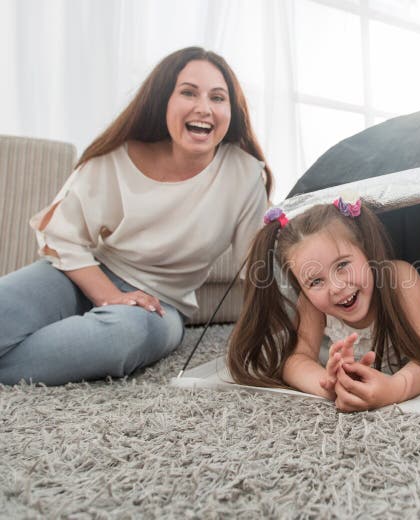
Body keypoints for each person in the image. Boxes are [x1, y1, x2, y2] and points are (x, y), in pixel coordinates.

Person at [0, 47, 271, 386]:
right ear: (163, 101)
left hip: (160, 308)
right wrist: (107, 295)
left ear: (232, 111)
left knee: (120, 338)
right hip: (80, 277)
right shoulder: (116, 158)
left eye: (218, 97)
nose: (204, 107)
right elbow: (61, 233)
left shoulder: (243, 175)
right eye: (188, 92)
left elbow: (256, 267)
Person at [227, 199, 420, 411]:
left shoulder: (400, 279)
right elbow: (295, 361)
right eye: (316, 281)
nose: (337, 287)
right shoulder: (311, 304)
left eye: (342, 265)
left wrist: (394, 389)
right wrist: (328, 385)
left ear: (364, 249)